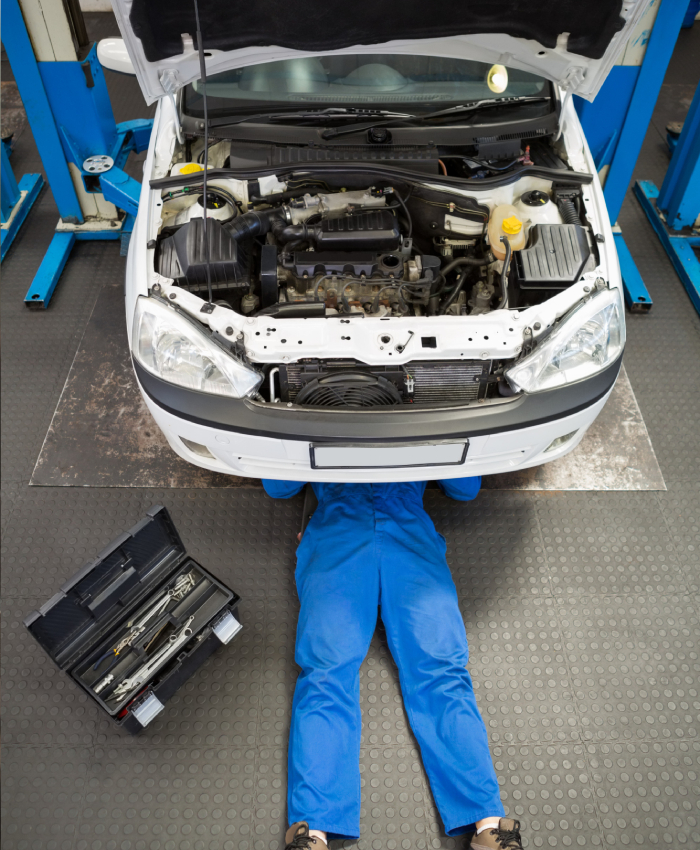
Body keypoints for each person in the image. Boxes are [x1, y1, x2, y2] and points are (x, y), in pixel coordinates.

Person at [262, 477, 523, 850]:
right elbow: (278, 486)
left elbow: (465, 487)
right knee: (325, 672)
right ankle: (313, 831)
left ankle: (488, 823)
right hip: (340, 527)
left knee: (441, 668)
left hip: (402, 529)